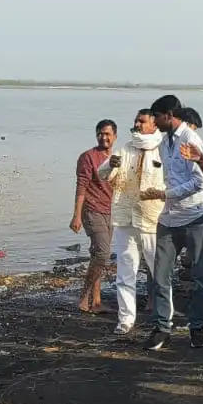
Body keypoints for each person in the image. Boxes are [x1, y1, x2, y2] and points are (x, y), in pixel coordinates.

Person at [145, 94, 203, 352]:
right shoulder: (164, 141)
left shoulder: (190, 139)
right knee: (161, 274)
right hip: (169, 217)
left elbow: (200, 183)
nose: (154, 122)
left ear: (168, 115)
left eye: (156, 116)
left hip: (195, 217)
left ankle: (196, 328)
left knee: (199, 277)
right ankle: (162, 327)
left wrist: (165, 194)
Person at [98, 109, 166, 335]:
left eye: (142, 121)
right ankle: (125, 320)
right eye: (136, 120)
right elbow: (102, 173)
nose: (137, 124)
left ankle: (164, 319)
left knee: (160, 272)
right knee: (125, 273)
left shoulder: (163, 148)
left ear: (154, 124)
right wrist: (111, 165)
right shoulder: (125, 148)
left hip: (152, 219)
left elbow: (173, 182)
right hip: (125, 218)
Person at [70, 119, 117, 313]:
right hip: (91, 209)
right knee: (103, 254)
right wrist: (76, 216)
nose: (103, 137)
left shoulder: (117, 158)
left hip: (111, 211)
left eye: (107, 134)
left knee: (97, 254)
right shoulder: (88, 157)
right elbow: (81, 187)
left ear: (115, 136)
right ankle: (84, 297)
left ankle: (96, 301)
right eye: (100, 133)